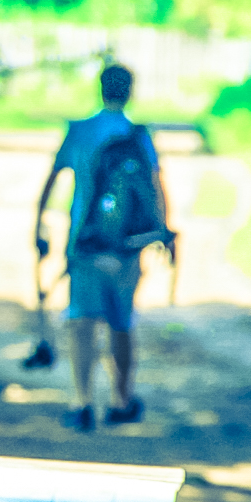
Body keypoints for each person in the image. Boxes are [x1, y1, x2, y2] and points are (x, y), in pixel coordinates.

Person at [33, 64, 170, 432]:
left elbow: (52, 181)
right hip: (126, 248)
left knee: (81, 321)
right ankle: (122, 400)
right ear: (130, 91)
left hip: (85, 244)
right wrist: (161, 231)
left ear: (100, 88)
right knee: (121, 322)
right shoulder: (137, 136)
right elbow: (154, 187)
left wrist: (39, 225)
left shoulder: (79, 132)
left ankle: (81, 401)